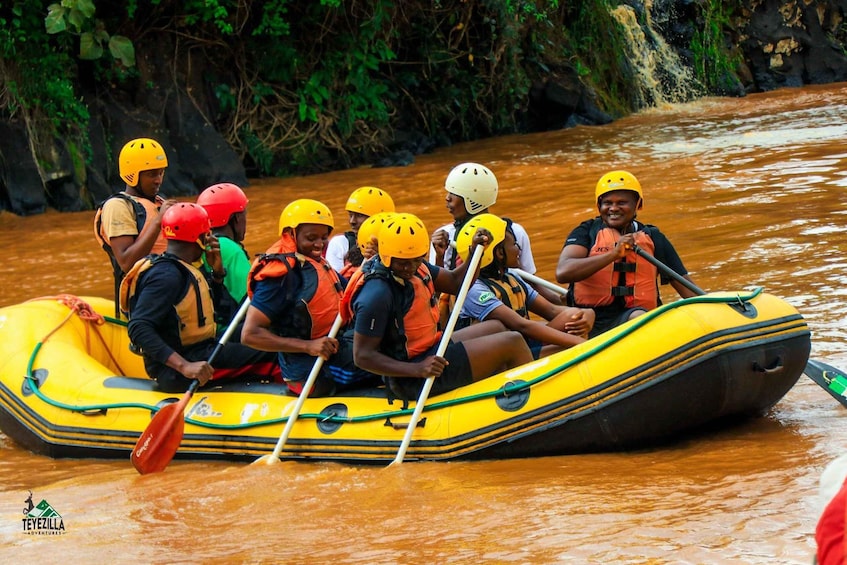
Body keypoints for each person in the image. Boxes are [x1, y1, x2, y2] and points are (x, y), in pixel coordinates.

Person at [341, 212, 533, 401]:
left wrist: (475, 253)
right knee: (512, 342)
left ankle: (499, 392)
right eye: (402, 263)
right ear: (386, 254)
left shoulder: (415, 265)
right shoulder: (376, 294)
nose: (410, 268)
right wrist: (418, 369)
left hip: (431, 350)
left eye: (416, 260)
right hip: (411, 377)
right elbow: (363, 356)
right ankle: (532, 400)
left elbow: (457, 282)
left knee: (497, 326)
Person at [122, 203, 280, 393]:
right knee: (275, 353)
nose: (211, 238)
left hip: (200, 348)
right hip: (179, 369)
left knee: (264, 335)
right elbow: (138, 328)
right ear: (198, 238)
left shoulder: (184, 266)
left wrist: (217, 274)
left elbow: (215, 313)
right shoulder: (166, 276)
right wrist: (184, 366)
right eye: (207, 233)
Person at [241, 199, 378, 396]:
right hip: (313, 371)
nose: (319, 244)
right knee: (387, 360)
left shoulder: (313, 261)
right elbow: (250, 334)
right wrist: (308, 346)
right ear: (291, 234)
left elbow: (352, 292)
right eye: (311, 237)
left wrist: (373, 262)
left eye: (324, 237)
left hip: (335, 348)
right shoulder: (280, 276)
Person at [555, 170, 699, 338]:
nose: (613, 208)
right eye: (607, 203)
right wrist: (613, 255)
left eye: (622, 202)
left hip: (634, 316)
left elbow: (687, 289)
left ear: (638, 204)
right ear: (598, 206)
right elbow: (563, 272)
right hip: (589, 320)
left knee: (638, 317)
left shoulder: (654, 238)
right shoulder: (586, 231)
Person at [454, 213, 594, 358]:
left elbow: (551, 310)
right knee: (572, 347)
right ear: (500, 253)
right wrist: (582, 344)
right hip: (504, 356)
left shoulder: (511, 277)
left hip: (525, 343)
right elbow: (522, 325)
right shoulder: (474, 289)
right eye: (514, 244)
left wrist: (587, 313)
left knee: (574, 317)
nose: (519, 250)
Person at [429, 162, 564, 307]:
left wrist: (564, 304)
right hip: (467, 313)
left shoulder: (514, 232)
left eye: (453, 193)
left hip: (506, 310)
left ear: (472, 198)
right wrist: (439, 257)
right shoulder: (445, 237)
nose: (447, 198)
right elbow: (433, 294)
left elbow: (532, 284)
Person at [94, 137, 175, 317]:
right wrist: (158, 222)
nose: (158, 180)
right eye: (152, 174)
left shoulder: (160, 203)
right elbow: (127, 262)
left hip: (172, 288)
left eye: (161, 173)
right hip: (145, 301)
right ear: (133, 175)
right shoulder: (118, 206)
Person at [196, 182, 251, 330]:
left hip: (209, 328)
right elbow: (253, 299)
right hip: (229, 331)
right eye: (244, 214)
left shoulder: (199, 245)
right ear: (236, 218)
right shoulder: (231, 250)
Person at [325, 186, 395, 278]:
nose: (352, 221)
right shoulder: (340, 243)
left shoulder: (397, 245)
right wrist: (368, 260)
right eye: (350, 215)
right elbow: (336, 285)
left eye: (359, 215)